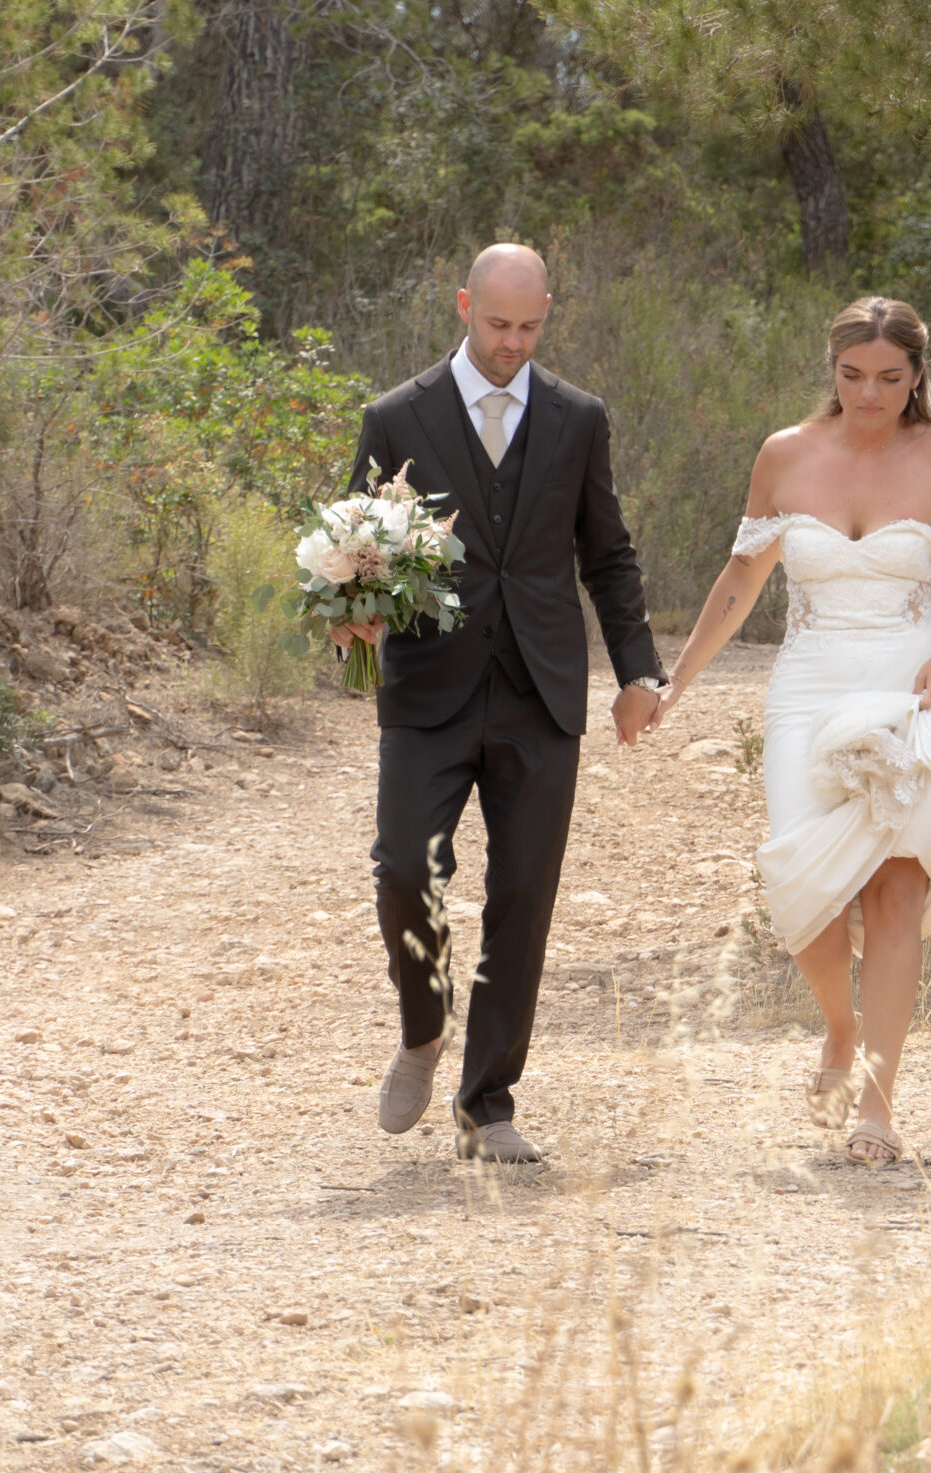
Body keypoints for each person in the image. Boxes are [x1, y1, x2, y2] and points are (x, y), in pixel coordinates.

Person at [653, 296, 931, 1165]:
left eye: (889, 377)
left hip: (910, 687)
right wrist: (678, 681)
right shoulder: (785, 454)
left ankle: (878, 1108)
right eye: (853, 376)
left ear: (917, 375)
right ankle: (841, 1026)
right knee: (802, 884)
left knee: (895, 890)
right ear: (833, 371)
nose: (869, 394)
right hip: (808, 689)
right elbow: (742, 578)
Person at [340, 243, 667, 1164]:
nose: (512, 343)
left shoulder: (578, 418)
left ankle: (487, 1105)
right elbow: (355, 541)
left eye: (529, 326)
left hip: (541, 689)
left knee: (523, 895)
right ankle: (422, 1028)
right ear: (463, 306)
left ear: (547, 312)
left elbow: (607, 554)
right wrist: (353, 611)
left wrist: (639, 673)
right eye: (496, 325)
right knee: (403, 868)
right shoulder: (395, 416)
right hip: (428, 688)